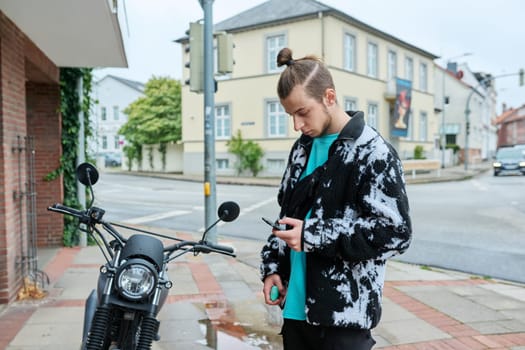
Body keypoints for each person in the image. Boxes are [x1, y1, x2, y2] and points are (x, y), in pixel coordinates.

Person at [260, 47, 412, 350]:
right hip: (294, 312)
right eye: (291, 115)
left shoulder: (373, 152)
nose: (297, 125)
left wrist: (313, 235)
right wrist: (273, 267)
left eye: (303, 112)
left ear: (329, 97)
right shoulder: (302, 148)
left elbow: (397, 234)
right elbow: (287, 215)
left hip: (344, 319)